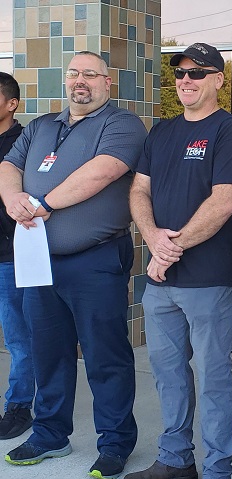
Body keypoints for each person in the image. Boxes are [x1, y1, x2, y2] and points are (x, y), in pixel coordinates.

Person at [0, 51, 147, 478]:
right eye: (73, 73)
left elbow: (103, 172)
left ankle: (115, 443)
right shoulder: (44, 126)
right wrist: (13, 199)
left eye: (90, 74)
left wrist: (42, 203)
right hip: (39, 259)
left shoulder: (121, 125)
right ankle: (49, 435)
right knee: (49, 354)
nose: (80, 80)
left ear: (107, 82)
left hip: (96, 259)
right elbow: (8, 164)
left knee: (106, 356)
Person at [126, 43, 232, 479]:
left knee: (214, 377)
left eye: (198, 73)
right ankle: (175, 460)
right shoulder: (161, 132)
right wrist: (151, 237)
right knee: (168, 375)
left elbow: (225, 202)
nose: (186, 80)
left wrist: (168, 248)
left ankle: (218, 469)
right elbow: (138, 191)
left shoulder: (231, 132)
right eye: (181, 73)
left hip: (208, 280)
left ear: (219, 79)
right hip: (161, 282)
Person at [0, 72, 34, 441]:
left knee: (18, 338)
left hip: (9, 256)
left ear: (12, 104)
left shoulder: (22, 144)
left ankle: (19, 407)